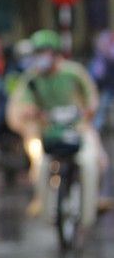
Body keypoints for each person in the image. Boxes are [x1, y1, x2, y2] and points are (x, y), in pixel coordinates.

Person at [6, 28, 103, 227]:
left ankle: (94, 200)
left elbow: (92, 97)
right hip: (47, 132)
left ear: (56, 53)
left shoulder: (74, 73)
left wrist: (87, 112)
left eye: (45, 52)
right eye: (38, 53)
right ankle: (42, 202)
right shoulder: (31, 79)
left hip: (77, 128)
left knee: (95, 160)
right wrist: (29, 112)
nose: (41, 58)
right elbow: (19, 105)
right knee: (39, 165)